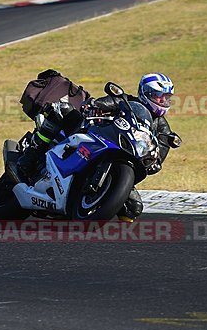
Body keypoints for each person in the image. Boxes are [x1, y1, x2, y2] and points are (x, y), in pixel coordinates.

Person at [16, 73, 181, 221]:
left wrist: (154, 162)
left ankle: (93, 199)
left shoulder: (163, 129)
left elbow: (159, 154)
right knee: (63, 111)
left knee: (133, 209)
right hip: (98, 137)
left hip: (126, 159)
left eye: (167, 98)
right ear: (146, 94)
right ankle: (31, 155)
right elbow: (110, 102)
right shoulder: (128, 102)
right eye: (159, 96)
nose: (163, 101)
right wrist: (95, 105)